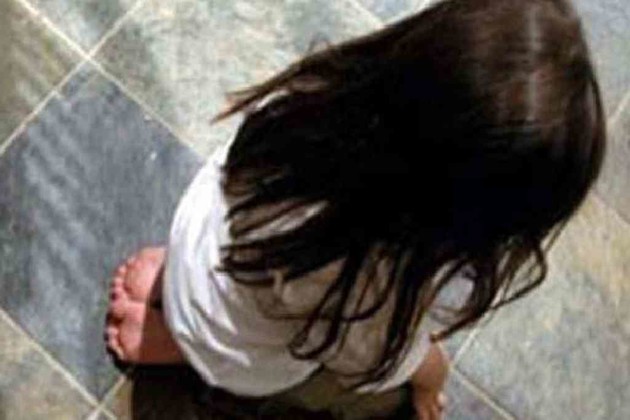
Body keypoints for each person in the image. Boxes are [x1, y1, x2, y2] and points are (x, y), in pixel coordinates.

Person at [104, 0, 606, 418]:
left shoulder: (321, 96)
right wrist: (432, 374)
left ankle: (176, 283)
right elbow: (382, 362)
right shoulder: (366, 291)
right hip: (231, 332)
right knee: (347, 386)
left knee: (250, 275)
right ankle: (184, 347)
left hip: (205, 235)